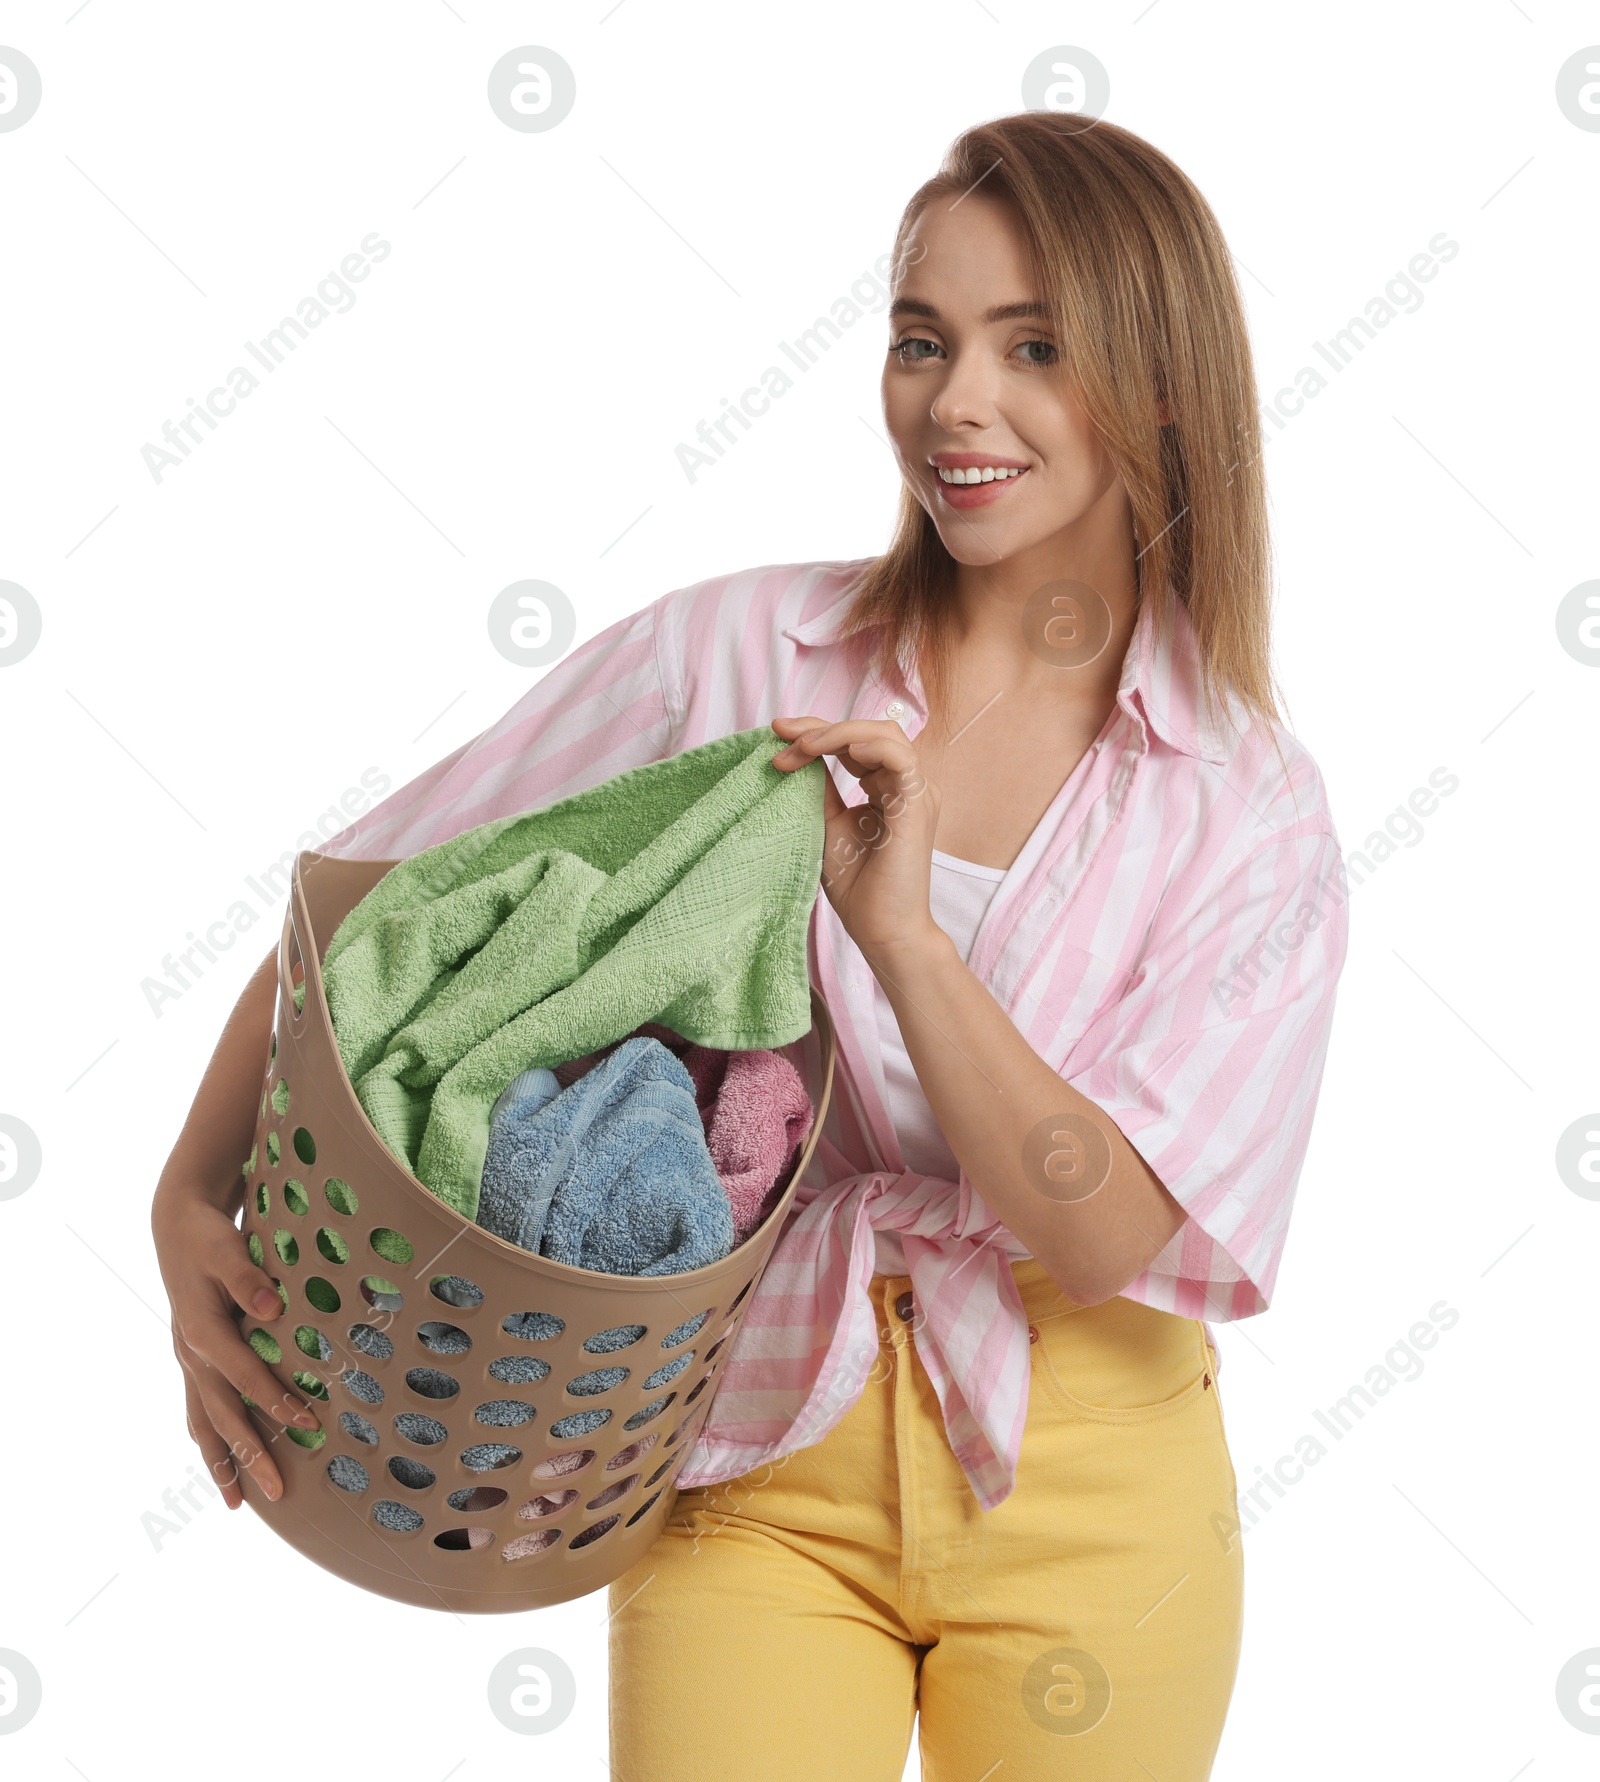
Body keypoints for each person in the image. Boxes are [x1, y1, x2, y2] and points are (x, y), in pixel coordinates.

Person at [151, 111, 1348, 1780]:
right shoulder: (736, 659)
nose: (956, 403)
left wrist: (902, 940)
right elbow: (383, 896)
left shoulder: (1246, 806)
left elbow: (1095, 1223)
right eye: (921, 341)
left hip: (1100, 1486)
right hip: (747, 1438)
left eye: (1036, 347)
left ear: (1158, 385)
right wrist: (190, 1186)